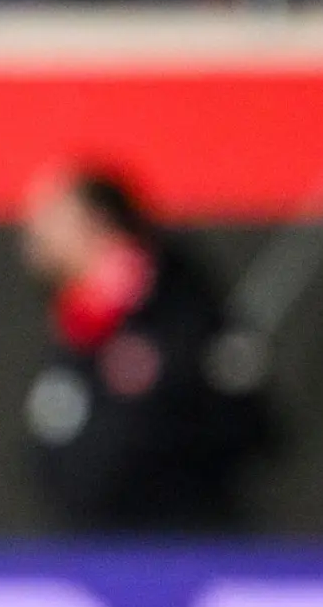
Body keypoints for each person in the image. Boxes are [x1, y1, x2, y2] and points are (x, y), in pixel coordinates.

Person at [19, 169, 273, 533]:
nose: (34, 236)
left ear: (98, 222)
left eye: (52, 219)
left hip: (189, 539)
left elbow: (243, 421)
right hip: (95, 542)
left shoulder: (178, 303)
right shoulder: (78, 324)